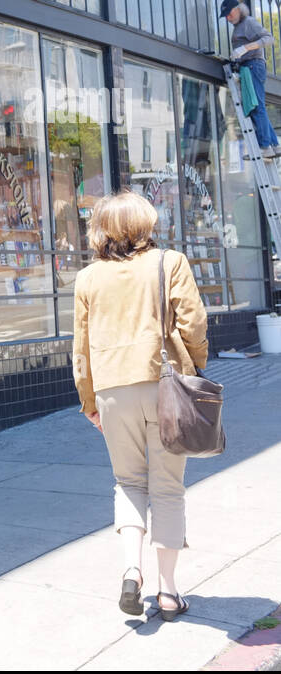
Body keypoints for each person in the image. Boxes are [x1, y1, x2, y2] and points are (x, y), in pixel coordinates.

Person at [72, 191, 208, 621]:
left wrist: (89, 400)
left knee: (128, 482)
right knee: (167, 486)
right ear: (144, 224)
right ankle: (169, 594)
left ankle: (132, 571)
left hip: (113, 389)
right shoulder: (170, 262)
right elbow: (194, 324)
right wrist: (195, 369)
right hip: (165, 384)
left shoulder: (88, 278)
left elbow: (80, 349)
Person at [220, 0, 280, 157]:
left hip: (254, 65)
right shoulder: (238, 26)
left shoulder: (248, 22)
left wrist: (245, 48)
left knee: (256, 106)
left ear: (238, 10)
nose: (228, 18)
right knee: (256, 106)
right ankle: (274, 145)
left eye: (229, 14)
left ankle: (264, 147)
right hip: (248, 66)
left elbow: (269, 39)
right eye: (225, 15)